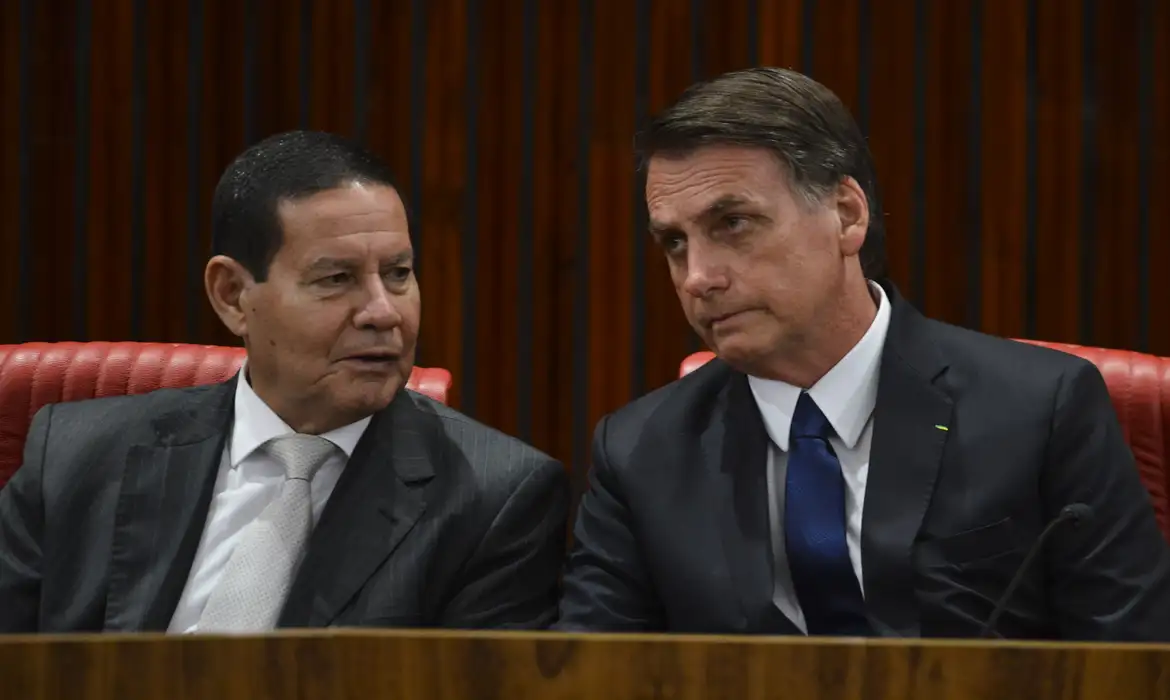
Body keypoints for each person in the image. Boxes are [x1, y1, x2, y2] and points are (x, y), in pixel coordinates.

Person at [557, 67, 1170, 640]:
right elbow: (590, 674)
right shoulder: (639, 452)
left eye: (733, 224)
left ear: (847, 215)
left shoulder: (1041, 409)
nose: (698, 277)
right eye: (674, 242)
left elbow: (1133, 661)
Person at [0, 130, 568, 633]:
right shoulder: (75, 458)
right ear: (232, 296)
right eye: (337, 278)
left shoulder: (494, 499)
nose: (384, 312)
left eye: (398, 274)